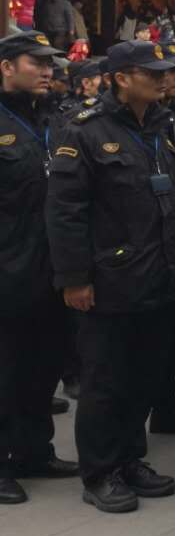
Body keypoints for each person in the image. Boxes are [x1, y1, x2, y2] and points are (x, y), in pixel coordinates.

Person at [47, 40, 175, 512]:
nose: (161, 79)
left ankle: (131, 459)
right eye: (150, 72)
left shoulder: (162, 126)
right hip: (110, 279)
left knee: (144, 376)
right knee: (105, 381)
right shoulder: (85, 131)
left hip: (160, 274)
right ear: (121, 79)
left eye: (162, 72)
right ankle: (100, 473)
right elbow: (65, 212)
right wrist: (75, 278)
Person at [0, 32, 79, 505]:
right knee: (5, 371)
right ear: (7, 66)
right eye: (37, 62)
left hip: (51, 268)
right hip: (7, 268)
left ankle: (34, 451)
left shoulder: (55, 119)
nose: (48, 70)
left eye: (51, 63)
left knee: (42, 367)